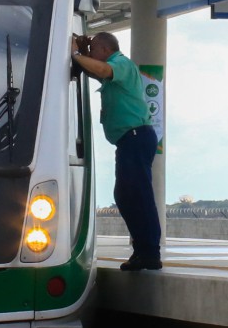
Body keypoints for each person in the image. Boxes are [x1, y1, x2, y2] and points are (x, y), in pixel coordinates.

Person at [69, 31, 162, 271]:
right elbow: (92, 70)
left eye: (94, 50)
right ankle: (143, 250)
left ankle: (150, 253)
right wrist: (81, 53)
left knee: (138, 195)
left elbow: (100, 70)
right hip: (128, 139)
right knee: (125, 196)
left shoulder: (120, 63)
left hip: (135, 137)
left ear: (103, 49)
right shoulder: (112, 67)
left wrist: (76, 53)